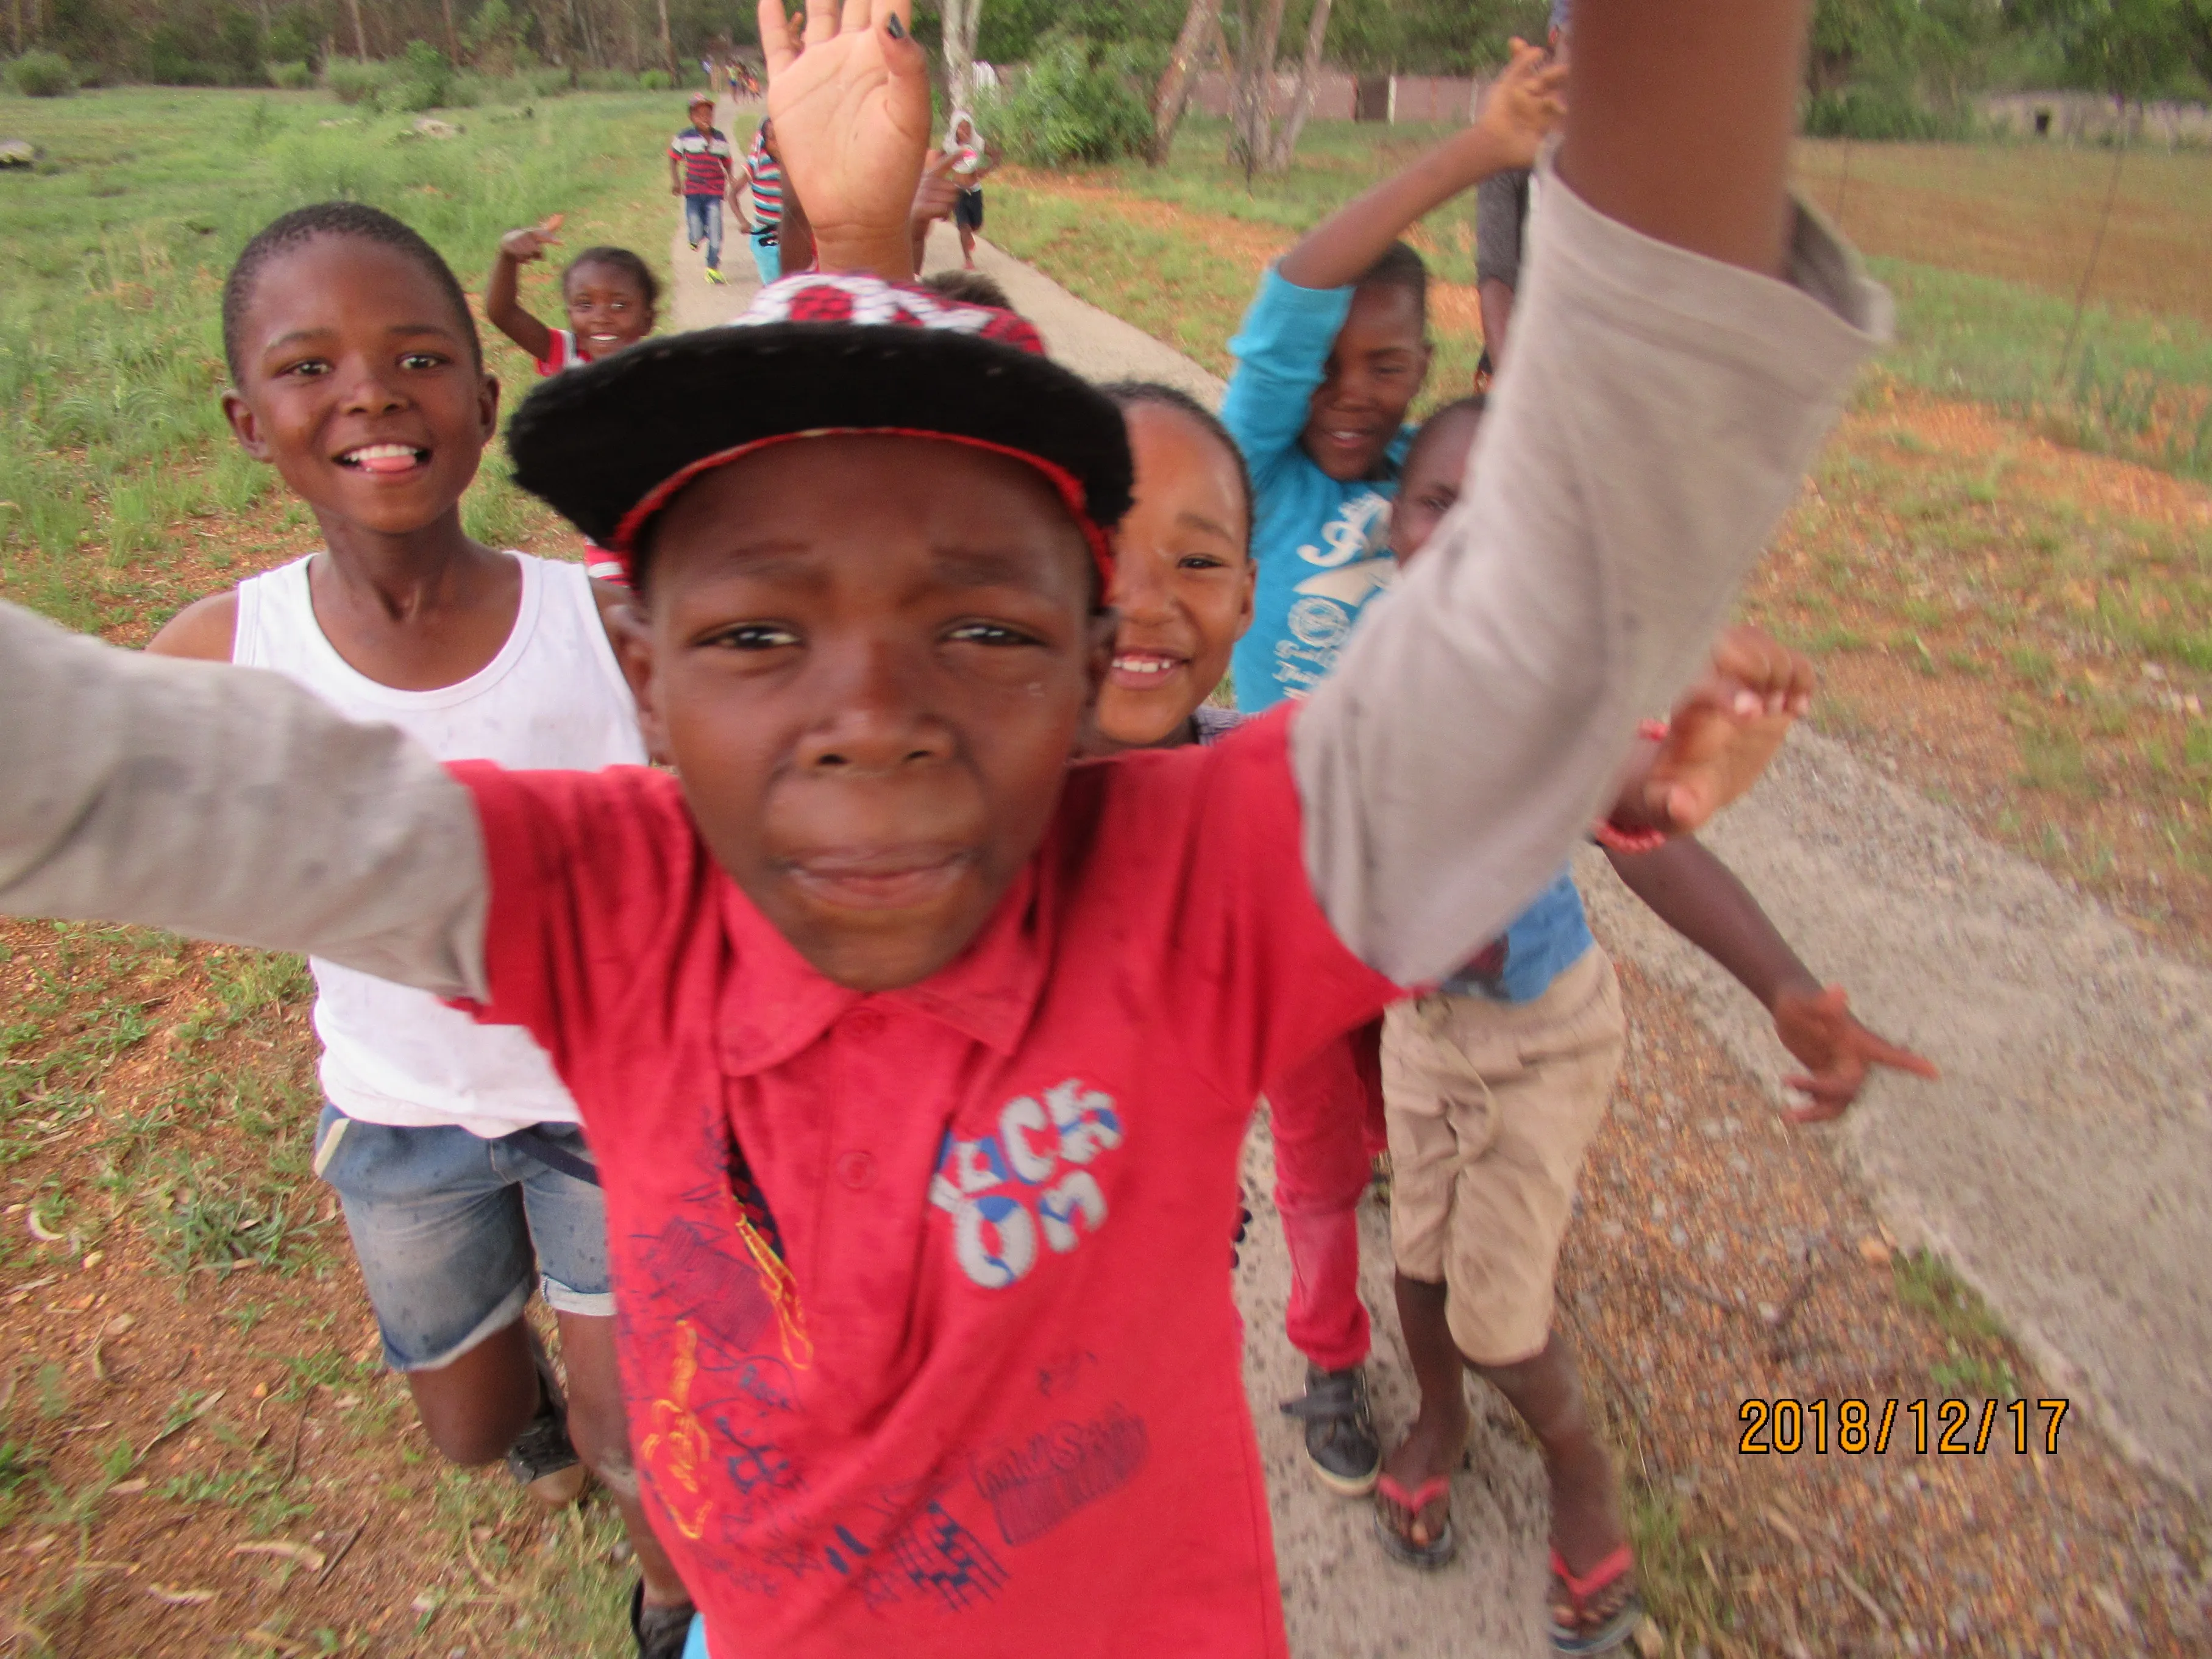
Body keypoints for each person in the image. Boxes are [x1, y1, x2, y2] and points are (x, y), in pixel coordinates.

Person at [0, 0, 1888, 1650]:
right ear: (637, 671)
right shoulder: (600, 902)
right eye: (757, 634)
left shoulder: (1192, 889)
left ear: (1096, 656)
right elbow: (110, 773)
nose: (875, 723)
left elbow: (1596, 539)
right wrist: (846, 232)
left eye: (983, 628)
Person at [148, 201, 695, 1659]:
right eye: (308, 365)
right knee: (472, 1425)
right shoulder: (224, 652)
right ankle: (518, 1390)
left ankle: (670, 1601)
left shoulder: (604, 629)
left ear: (485, 395)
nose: (372, 392)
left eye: (417, 355)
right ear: (247, 420)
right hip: (402, 1118)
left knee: (633, 1422)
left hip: (604, 1108)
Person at [1371, 397, 1937, 1654]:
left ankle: (1578, 1472)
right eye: (1434, 504)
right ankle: (1439, 1419)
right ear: (1391, 523)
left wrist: (1780, 984)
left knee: (1494, 1311)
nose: (1462, 540)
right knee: (1415, 1261)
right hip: (1420, 1027)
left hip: (1540, 1040)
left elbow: (1636, 825)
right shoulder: (1376, 668)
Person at [1475, 0, 1573, 377]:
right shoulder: (1519, 114)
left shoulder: (1629, 125)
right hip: (1531, 353)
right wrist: (1509, 390)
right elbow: (1496, 275)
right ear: (1555, 36)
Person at [485, 224, 659, 376]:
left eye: (619, 305)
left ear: (648, 320)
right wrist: (508, 257)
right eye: (585, 305)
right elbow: (503, 314)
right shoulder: (567, 353)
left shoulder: (660, 374)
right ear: (570, 315)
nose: (600, 318)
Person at [669, 92, 738, 286]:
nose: (705, 118)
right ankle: (697, 236)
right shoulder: (684, 137)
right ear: (692, 117)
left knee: (716, 233)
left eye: (708, 114)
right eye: (700, 115)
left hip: (714, 192)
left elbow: (727, 161)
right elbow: (673, 159)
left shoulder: (720, 138)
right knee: (696, 230)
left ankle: (712, 268)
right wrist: (676, 182)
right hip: (693, 191)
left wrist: (731, 177)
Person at [943, 110, 999, 270]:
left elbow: (996, 155)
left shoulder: (977, 142)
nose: (965, 131)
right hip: (958, 190)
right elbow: (938, 165)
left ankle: (969, 236)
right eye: (961, 128)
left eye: (968, 128)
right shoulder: (949, 145)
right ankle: (968, 260)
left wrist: (987, 169)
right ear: (955, 130)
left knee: (977, 224)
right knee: (963, 226)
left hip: (974, 190)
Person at [737, 116, 786, 285]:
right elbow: (732, 194)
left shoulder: (791, 163)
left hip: (787, 235)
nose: (778, 144)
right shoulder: (757, 163)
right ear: (765, 141)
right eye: (772, 139)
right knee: (774, 287)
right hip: (764, 237)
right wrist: (743, 221)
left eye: (781, 137)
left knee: (790, 286)